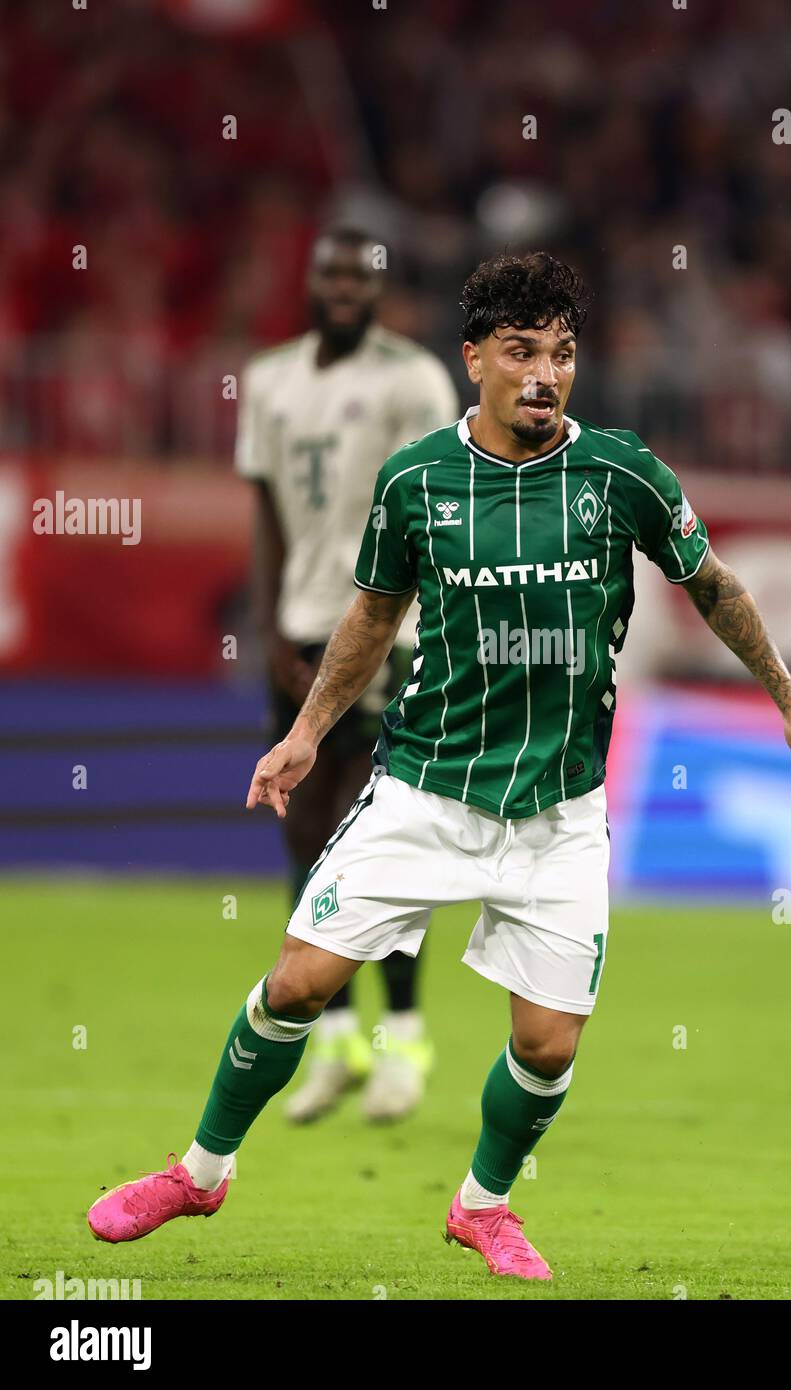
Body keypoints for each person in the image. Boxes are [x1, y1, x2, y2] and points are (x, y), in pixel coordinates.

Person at [88, 251, 791, 1281]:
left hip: (559, 812)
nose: (545, 374)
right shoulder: (418, 480)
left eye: (564, 354)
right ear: (474, 359)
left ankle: (482, 1205)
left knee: (546, 1047)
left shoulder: (620, 474)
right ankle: (200, 1171)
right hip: (423, 788)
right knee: (299, 983)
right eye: (522, 351)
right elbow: (371, 614)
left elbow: (713, 586)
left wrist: (789, 701)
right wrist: (308, 732)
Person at [236, 225, 457, 1122]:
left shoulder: (414, 379)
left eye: (361, 277)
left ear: (382, 289)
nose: (342, 288)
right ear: (310, 277)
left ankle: (401, 1040)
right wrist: (268, 631)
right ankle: (334, 1044)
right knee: (302, 837)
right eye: (329, 271)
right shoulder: (269, 380)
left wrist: (423, 624)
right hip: (297, 633)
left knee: (376, 840)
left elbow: (442, 508)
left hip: (385, 635)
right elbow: (266, 516)